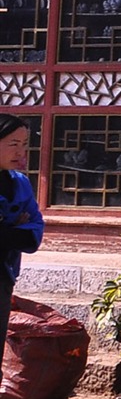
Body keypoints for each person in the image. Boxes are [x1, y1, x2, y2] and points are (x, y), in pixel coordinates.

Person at [0, 114, 43, 327]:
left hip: (3, 277)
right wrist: (14, 228)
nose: (20, 152)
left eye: (24, 144)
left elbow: (33, 235)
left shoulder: (20, 184)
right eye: (13, 144)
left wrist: (6, 230)